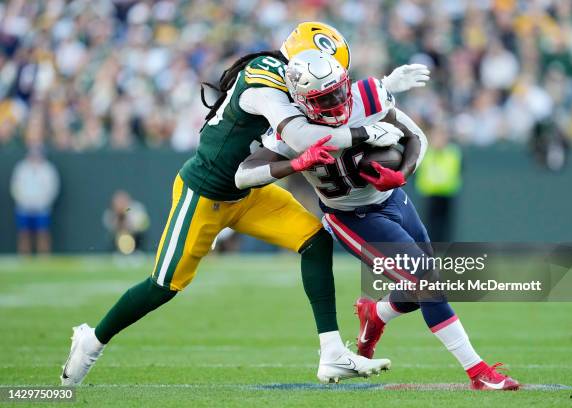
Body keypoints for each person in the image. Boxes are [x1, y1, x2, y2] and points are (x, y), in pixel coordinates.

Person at [60, 21, 426, 386]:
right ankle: (91, 341)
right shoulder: (265, 83)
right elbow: (300, 135)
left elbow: (333, 103)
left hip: (250, 191)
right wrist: (364, 132)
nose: (329, 86)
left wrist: (384, 87)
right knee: (163, 285)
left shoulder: (296, 81)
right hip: (205, 193)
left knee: (315, 240)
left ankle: (331, 354)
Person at [235, 50, 519, 391]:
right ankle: (478, 372)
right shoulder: (290, 130)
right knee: (426, 283)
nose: (338, 102)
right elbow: (243, 174)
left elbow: (416, 137)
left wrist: (402, 174)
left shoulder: (366, 96)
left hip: (395, 200)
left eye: (339, 90)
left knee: (424, 283)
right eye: (324, 98)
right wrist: (293, 164)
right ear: (302, 100)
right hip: (351, 216)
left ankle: (376, 315)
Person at [414, 124, 462, 242]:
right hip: (430, 194)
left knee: (445, 226)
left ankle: (444, 248)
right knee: (429, 225)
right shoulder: (426, 153)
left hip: (447, 194)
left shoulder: (453, 153)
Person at [10, 145, 60, 255]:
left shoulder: (48, 169)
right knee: (24, 234)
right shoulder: (22, 168)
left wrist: (43, 202)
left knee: (43, 233)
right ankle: (24, 257)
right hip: (24, 207)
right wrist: (23, 201)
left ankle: (44, 258)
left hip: (41, 208)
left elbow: (52, 188)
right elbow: (15, 187)